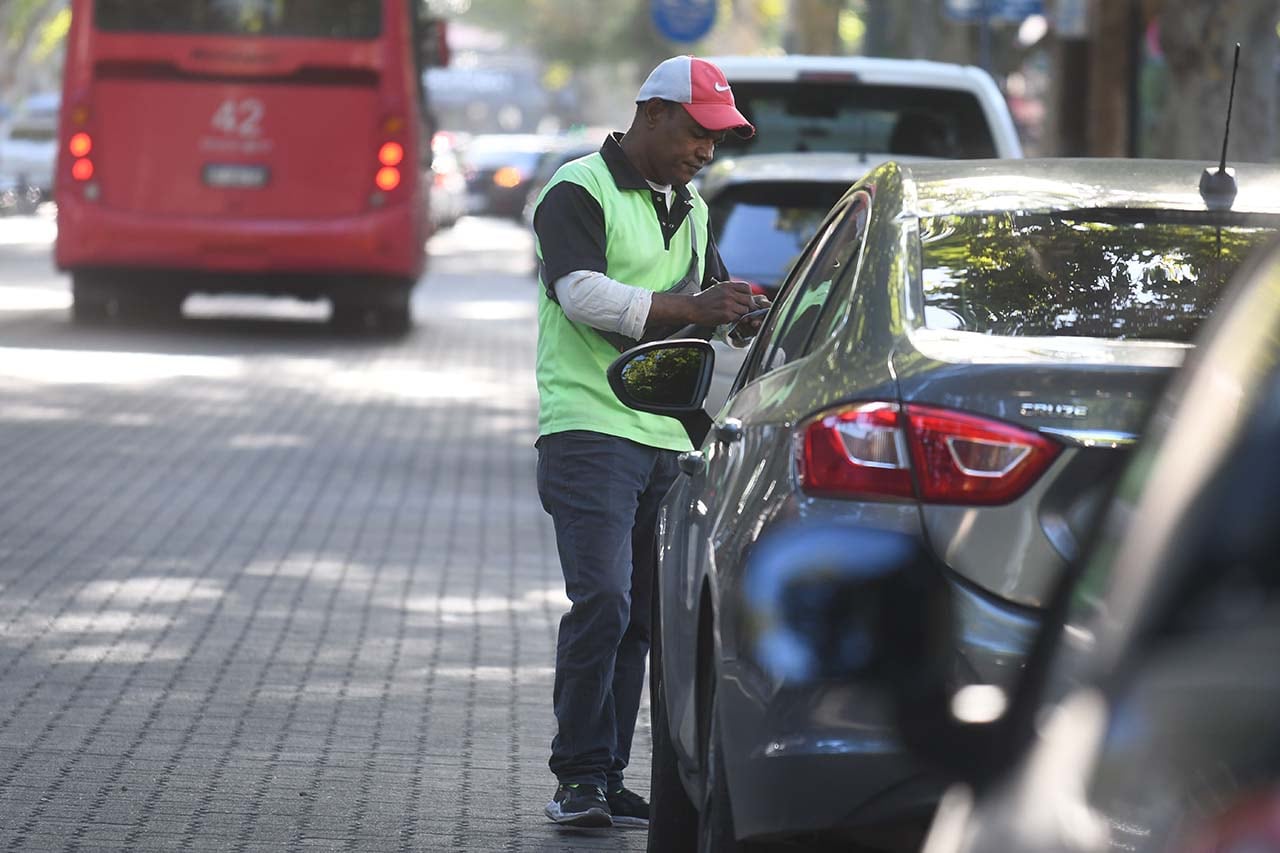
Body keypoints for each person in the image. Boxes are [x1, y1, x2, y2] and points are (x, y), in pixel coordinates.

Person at [531, 55, 766, 829]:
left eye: (719, 138)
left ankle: (604, 775)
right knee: (601, 597)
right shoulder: (578, 189)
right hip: (588, 427)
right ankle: (576, 777)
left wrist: (742, 313)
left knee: (639, 618)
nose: (708, 149)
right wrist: (691, 308)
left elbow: (711, 304)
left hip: (663, 433)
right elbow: (583, 294)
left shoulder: (693, 210)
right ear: (654, 113)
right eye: (699, 131)